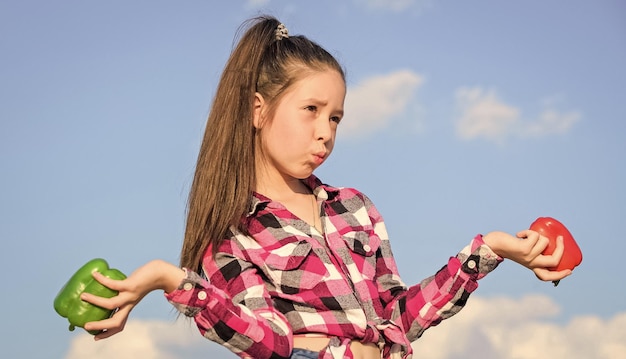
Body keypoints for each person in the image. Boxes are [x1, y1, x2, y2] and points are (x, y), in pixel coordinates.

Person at [80, 16, 571, 359]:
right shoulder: (231, 233)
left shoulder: (355, 208)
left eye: (335, 116)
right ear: (258, 110)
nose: (326, 132)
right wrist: (175, 280)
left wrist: (490, 250)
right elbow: (267, 344)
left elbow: (397, 319)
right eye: (311, 110)